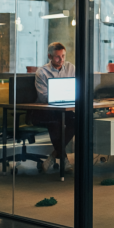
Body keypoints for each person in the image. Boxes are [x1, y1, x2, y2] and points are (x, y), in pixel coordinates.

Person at [34, 42, 76, 173]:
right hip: (46, 110)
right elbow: (43, 97)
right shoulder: (42, 72)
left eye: (63, 56)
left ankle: (53, 155)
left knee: (78, 121)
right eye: (58, 57)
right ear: (50, 56)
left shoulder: (71, 68)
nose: (61, 60)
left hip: (65, 109)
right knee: (55, 123)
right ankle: (64, 160)